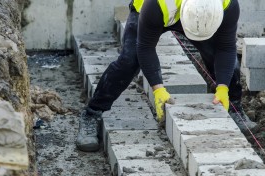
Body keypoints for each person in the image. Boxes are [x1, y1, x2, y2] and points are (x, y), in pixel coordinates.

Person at [76, 0, 257, 152]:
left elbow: (226, 47)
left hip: (199, 15)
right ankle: (92, 113)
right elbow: (145, 48)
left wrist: (223, 86)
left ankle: (234, 107)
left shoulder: (227, 5)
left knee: (220, 56)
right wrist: (158, 89)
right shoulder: (157, 4)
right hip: (151, 12)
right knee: (129, 61)